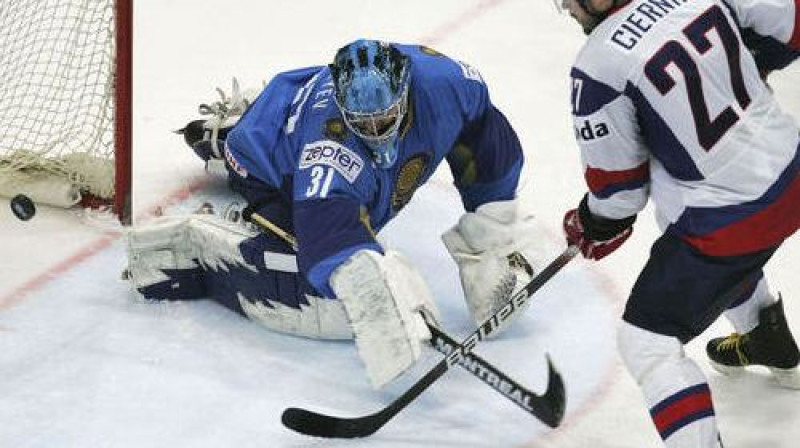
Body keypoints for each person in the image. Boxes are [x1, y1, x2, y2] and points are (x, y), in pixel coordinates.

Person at [126, 39, 538, 389]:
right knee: (307, 287)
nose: (377, 132)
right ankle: (200, 237)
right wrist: (377, 295)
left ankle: (242, 118)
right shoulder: (329, 151)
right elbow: (330, 237)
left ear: (406, 89)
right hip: (269, 166)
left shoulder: (447, 84)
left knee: (469, 135)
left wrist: (492, 232)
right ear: (343, 112)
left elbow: (485, 134)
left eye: (385, 118)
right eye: (363, 123)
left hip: (295, 105)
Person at [557, 0, 800, 446]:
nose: (567, 10)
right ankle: (766, 337)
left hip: (737, 222)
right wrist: (749, 64)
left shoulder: (597, 67)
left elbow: (620, 196)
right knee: (677, 198)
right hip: (791, 170)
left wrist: (590, 222)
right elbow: (793, 22)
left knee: (645, 340)